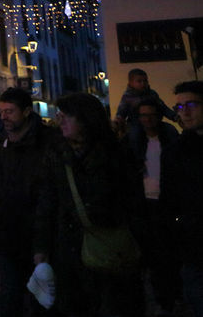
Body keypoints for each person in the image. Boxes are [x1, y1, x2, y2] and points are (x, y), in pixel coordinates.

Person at [33, 93, 145, 317]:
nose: (60, 120)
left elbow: (133, 204)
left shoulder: (116, 155)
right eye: (60, 115)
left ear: (86, 119)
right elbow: (47, 203)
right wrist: (41, 248)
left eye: (67, 116)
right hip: (69, 251)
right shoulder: (56, 154)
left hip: (109, 251)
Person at [0, 87, 59, 317]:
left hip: (39, 227)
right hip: (4, 227)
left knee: (41, 292)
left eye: (9, 111)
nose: (4, 117)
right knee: (10, 291)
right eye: (1, 111)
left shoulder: (47, 140)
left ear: (27, 111)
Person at [126, 97, 181, 314]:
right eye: (143, 115)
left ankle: (167, 296)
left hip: (166, 203)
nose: (147, 119)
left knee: (167, 254)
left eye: (150, 114)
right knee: (150, 254)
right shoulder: (133, 142)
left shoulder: (170, 138)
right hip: (144, 205)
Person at [161, 80, 203, 317]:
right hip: (194, 249)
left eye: (192, 105)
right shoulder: (175, 152)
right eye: (179, 107)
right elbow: (169, 200)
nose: (184, 112)